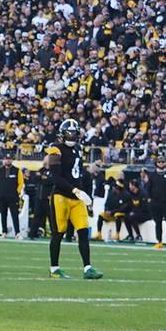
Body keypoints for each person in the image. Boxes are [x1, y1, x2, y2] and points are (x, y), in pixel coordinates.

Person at [46, 119, 103, 279]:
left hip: (76, 197)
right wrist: (75, 190)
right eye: (68, 133)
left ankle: (87, 268)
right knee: (58, 232)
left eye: (74, 133)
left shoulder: (78, 149)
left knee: (83, 231)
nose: (71, 136)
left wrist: (85, 193)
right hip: (61, 196)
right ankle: (54, 269)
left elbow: (78, 174)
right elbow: (56, 177)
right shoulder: (55, 149)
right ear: (62, 134)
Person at [145, 154, 166, 249]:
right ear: (156, 163)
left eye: (162, 162)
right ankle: (159, 241)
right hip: (155, 203)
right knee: (157, 223)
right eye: (159, 162)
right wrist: (150, 199)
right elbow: (149, 188)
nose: (161, 163)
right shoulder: (153, 175)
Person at [0, 154, 24, 239]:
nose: (8, 161)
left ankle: (17, 233)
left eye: (9, 159)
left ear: (12, 160)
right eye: (6, 159)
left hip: (13, 197)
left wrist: (16, 192)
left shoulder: (17, 170)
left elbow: (21, 183)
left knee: (15, 215)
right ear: (4, 159)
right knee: (3, 215)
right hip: (2, 196)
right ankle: (4, 232)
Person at [124, 178, 152, 243]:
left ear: (134, 186)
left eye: (130, 185)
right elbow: (130, 205)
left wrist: (134, 212)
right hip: (137, 212)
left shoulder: (143, 194)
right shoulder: (132, 194)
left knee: (132, 217)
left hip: (146, 214)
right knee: (126, 217)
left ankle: (139, 235)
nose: (129, 187)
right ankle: (130, 235)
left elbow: (144, 207)